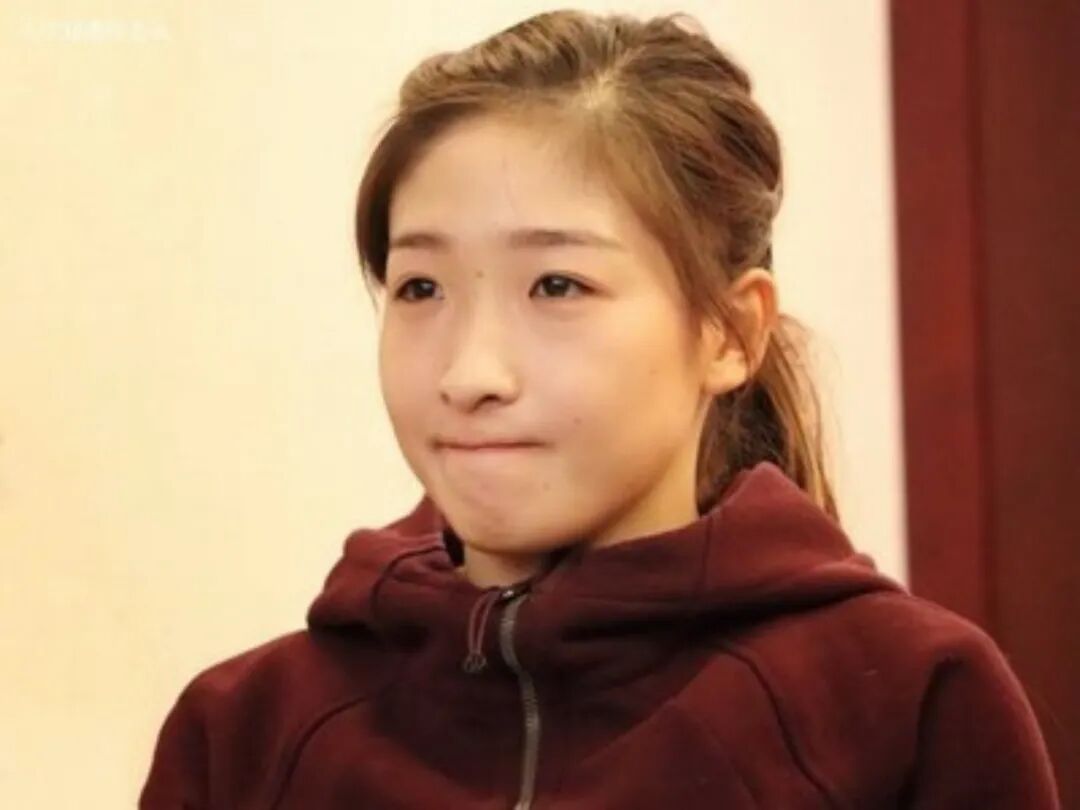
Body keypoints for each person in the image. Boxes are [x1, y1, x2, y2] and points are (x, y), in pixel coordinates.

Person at [139, 9, 1061, 809]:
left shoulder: (906, 702)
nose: (470, 373)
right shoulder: (245, 730)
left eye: (557, 285)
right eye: (421, 288)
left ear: (730, 332)